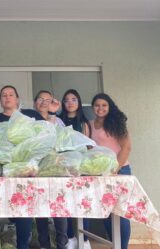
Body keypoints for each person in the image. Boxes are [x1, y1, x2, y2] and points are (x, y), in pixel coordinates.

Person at [0, 85, 44, 249]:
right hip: (1, 171)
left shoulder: (29, 116)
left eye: (11, 94)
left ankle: (22, 245)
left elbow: (44, 134)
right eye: (3, 95)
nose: (7, 97)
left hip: (23, 171)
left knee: (23, 209)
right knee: (7, 208)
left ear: (17, 99)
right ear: (0, 100)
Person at [90, 93, 131, 249]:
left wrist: (114, 169)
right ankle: (115, 245)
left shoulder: (116, 123)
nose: (100, 108)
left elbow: (127, 148)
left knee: (120, 213)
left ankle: (123, 247)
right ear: (93, 107)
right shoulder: (90, 124)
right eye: (97, 105)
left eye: (104, 105)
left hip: (119, 170)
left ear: (109, 107)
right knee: (105, 212)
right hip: (100, 173)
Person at [34, 90, 68, 249]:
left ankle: (62, 244)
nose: (44, 102)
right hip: (37, 170)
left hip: (55, 169)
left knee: (59, 209)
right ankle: (44, 244)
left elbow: (60, 140)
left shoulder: (58, 121)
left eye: (48, 100)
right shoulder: (30, 120)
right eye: (41, 99)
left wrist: (52, 113)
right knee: (40, 209)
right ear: (35, 102)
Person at [59, 89, 91, 249]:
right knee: (68, 205)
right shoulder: (59, 121)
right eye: (66, 100)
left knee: (82, 204)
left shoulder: (84, 123)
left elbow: (88, 147)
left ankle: (84, 239)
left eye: (73, 99)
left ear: (78, 102)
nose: (70, 102)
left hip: (80, 169)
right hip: (63, 169)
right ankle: (71, 237)